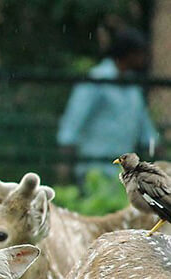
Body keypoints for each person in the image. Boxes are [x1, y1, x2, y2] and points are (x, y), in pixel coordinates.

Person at [56, 28, 161, 183]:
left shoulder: (132, 87)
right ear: (130, 54)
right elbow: (74, 120)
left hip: (124, 172)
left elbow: (145, 127)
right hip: (94, 169)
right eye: (141, 53)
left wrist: (157, 152)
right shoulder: (97, 79)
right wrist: (64, 164)